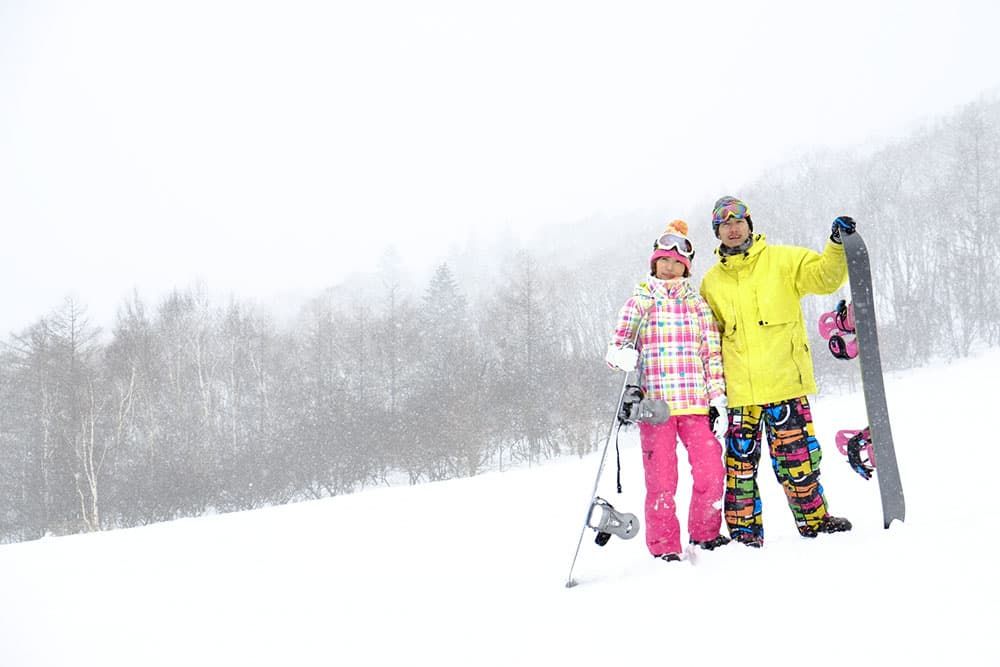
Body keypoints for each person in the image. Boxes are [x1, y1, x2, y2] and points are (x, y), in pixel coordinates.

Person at [699, 195, 857, 547]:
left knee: (799, 462)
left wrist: (836, 245)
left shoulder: (783, 261)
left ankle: (816, 521)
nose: (733, 228)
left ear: (750, 224)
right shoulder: (711, 284)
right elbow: (707, 343)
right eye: (725, 224)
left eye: (738, 221)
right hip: (740, 396)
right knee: (739, 474)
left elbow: (826, 278)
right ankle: (745, 538)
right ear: (717, 232)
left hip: (785, 385)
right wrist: (707, 396)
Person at [605, 220, 730, 562]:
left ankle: (704, 534)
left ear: (685, 267)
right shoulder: (641, 302)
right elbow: (616, 350)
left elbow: (711, 355)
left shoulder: (698, 305)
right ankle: (665, 547)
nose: (670, 267)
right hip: (657, 408)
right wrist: (621, 354)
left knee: (711, 472)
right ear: (654, 263)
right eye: (664, 261)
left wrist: (717, 398)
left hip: (695, 403)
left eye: (677, 262)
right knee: (662, 483)